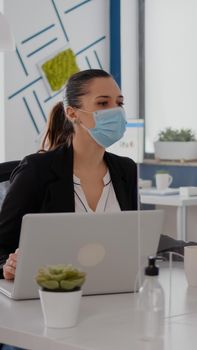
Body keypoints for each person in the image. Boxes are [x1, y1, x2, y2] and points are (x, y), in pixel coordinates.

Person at [0, 69, 137, 281]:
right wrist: (8, 267)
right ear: (72, 113)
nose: (116, 111)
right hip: (50, 297)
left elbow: (136, 239)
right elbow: (2, 247)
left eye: (119, 103)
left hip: (114, 289)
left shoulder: (126, 170)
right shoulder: (37, 170)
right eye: (102, 103)